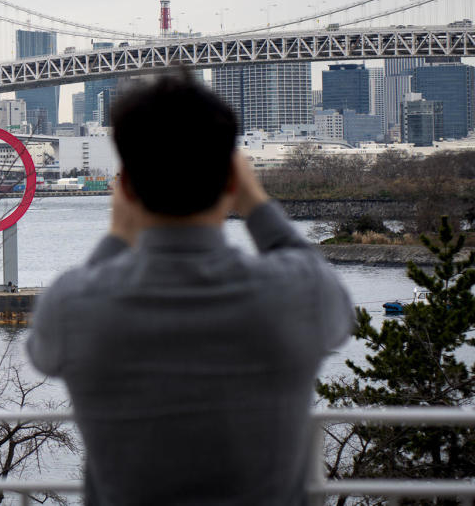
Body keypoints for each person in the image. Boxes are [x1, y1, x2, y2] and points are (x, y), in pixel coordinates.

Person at [27, 74, 353, 505]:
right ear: (232, 182)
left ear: (126, 188)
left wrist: (117, 236)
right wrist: (256, 203)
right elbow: (334, 308)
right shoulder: (299, 290)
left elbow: (45, 352)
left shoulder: (71, 304)